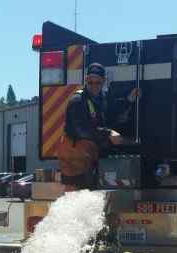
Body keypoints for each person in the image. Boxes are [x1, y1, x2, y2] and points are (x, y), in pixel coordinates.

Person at [59, 63, 139, 191]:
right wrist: (108, 133)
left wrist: (129, 99)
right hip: (74, 158)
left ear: (103, 81)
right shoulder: (77, 100)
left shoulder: (100, 98)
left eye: (97, 82)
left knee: (89, 196)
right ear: (86, 80)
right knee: (73, 198)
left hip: (89, 156)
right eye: (90, 82)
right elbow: (82, 129)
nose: (94, 86)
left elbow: (110, 112)